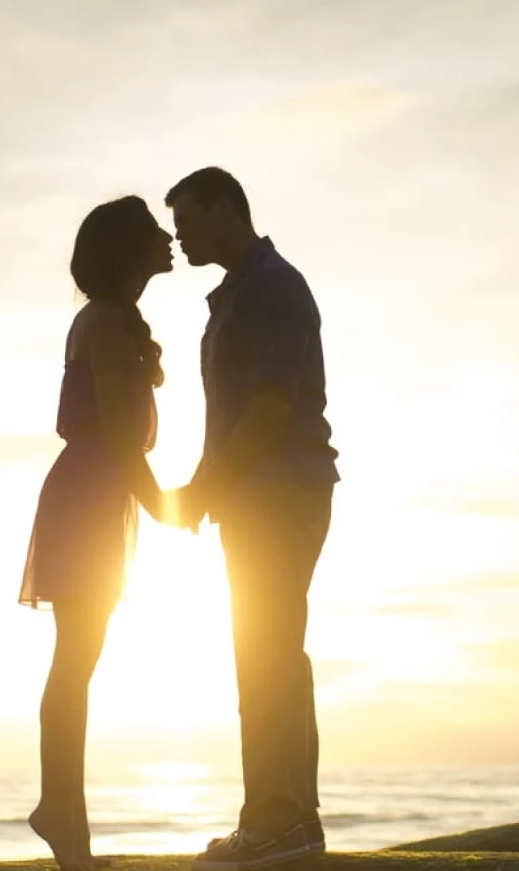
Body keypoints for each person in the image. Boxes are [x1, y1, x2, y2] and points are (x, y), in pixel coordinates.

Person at [161, 167, 340, 871]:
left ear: (226, 208)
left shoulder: (271, 286)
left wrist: (205, 488)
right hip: (258, 492)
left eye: (190, 223)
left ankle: (275, 825)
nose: (181, 238)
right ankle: (292, 822)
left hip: (278, 490)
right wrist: (208, 486)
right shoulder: (238, 292)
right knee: (274, 653)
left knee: (267, 654)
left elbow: (268, 408)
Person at [20, 195, 176, 871]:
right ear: (127, 249)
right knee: (76, 661)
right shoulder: (106, 319)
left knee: (79, 660)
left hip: (97, 491)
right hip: (89, 492)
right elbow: (117, 429)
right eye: (154, 233)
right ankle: (61, 816)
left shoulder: (113, 318)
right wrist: (167, 506)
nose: (168, 239)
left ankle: (70, 827)